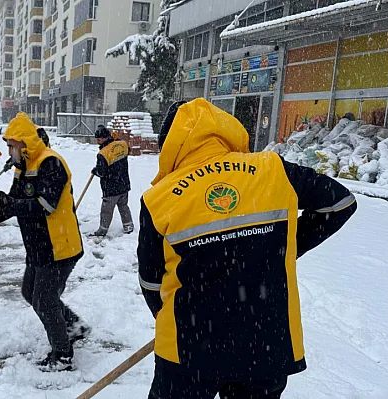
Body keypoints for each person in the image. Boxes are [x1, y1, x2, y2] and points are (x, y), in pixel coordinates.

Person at [138, 98, 357, 399]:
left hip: (189, 350)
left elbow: (151, 282)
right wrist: (282, 248)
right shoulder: (272, 170)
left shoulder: (159, 198)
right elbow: (340, 203)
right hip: (265, 345)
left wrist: (173, 316)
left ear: (171, 145)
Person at [0, 114, 90, 372]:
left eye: (12, 145)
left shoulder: (50, 163)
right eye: (9, 145)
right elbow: (9, 206)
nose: (9, 151)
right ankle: (73, 326)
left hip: (60, 246)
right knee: (30, 292)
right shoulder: (24, 167)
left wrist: (12, 204)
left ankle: (63, 355)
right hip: (39, 246)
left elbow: (46, 205)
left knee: (44, 300)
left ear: (25, 144)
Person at [90, 124, 133, 236]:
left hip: (111, 188)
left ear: (104, 138)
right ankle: (128, 226)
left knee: (106, 210)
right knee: (124, 206)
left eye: (99, 139)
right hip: (124, 184)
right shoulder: (123, 144)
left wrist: (95, 171)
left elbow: (101, 172)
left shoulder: (103, 154)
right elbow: (129, 150)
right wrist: (116, 140)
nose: (97, 142)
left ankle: (102, 230)